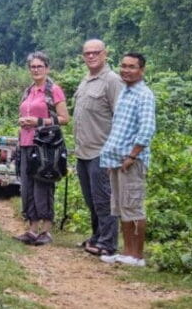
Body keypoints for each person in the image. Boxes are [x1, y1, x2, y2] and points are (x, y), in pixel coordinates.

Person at [99, 52, 155, 267]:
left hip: (131, 160)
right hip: (115, 159)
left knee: (133, 206)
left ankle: (137, 255)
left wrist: (132, 155)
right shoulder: (124, 91)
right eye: (123, 66)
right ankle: (126, 252)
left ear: (141, 70)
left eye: (131, 67)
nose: (126, 70)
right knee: (121, 207)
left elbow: (147, 129)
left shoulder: (144, 95)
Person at [73, 39, 124, 256]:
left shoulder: (112, 81)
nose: (91, 56)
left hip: (102, 151)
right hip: (83, 151)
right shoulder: (86, 80)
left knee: (104, 199)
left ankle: (108, 242)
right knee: (91, 199)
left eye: (96, 52)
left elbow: (121, 117)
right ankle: (96, 236)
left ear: (105, 54)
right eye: (87, 53)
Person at [15, 51, 70, 246]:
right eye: (32, 66)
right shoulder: (28, 90)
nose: (36, 70)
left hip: (45, 146)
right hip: (26, 143)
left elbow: (64, 119)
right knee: (27, 186)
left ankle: (46, 230)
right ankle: (31, 229)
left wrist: (39, 121)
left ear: (47, 68)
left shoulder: (53, 90)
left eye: (39, 66)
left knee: (43, 186)